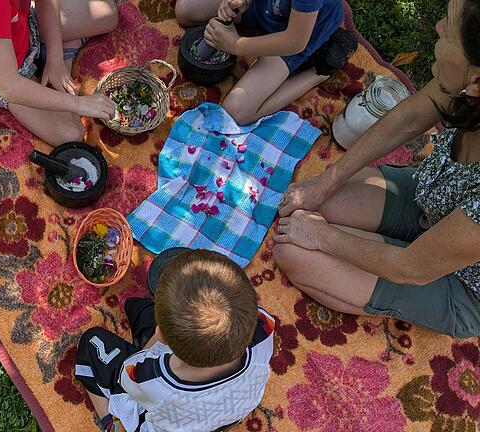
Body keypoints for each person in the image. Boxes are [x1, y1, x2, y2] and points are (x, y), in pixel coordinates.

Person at [273, 0, 480, 338]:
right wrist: (327, 182)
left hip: (461, 281)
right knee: (313, 202)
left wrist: (323, 237)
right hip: (432, 200)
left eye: (450, 31)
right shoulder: (462, 83)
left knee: (293, 251)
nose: (439, 27)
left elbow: (412, 268)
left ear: (477, 82)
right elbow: (412, 116)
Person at [74, 249, 275, 432]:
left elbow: (127, 379)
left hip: (161, 413)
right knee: (136, 307)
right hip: (226, 414)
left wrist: (157, 340)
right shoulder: (264, 327)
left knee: (92, 342)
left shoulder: (151, 377)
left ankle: (112, 424)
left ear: (161, 334)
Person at [0, 0, 118, 146]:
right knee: (71, 134)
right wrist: (78, 104)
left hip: (22, 29)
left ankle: (56, 57)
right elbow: (9, 86)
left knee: (108, 14)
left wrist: (55, 57)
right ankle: (63, 57)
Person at [175, 0, 356, 125]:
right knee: (185, 10)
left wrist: (236, 45)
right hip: (265, 8)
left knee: (237, 110)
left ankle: (320, 70)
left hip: (297, 31)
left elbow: (294, 42)